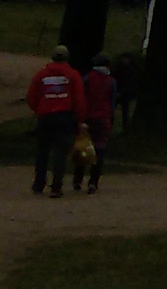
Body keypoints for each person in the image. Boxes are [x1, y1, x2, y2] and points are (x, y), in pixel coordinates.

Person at [26, 52, 82, 197]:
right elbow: (78, 98)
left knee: (42, 150)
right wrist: (79, 118)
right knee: (60, 152)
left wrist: (39, 109)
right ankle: (56, 186)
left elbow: (31, 96)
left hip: (45, 116)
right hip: (63, 116)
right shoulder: (73, 75)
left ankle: (39, 183)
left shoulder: (41, 75)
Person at [76, 55, 116, 192]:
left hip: (87, 118)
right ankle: (93, 182)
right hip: (103, 119)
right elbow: (112, 103)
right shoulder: (111, 81)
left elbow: (81, 98)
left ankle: (78, 179)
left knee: (83, 148)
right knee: (99, 150)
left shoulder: (87, 78)